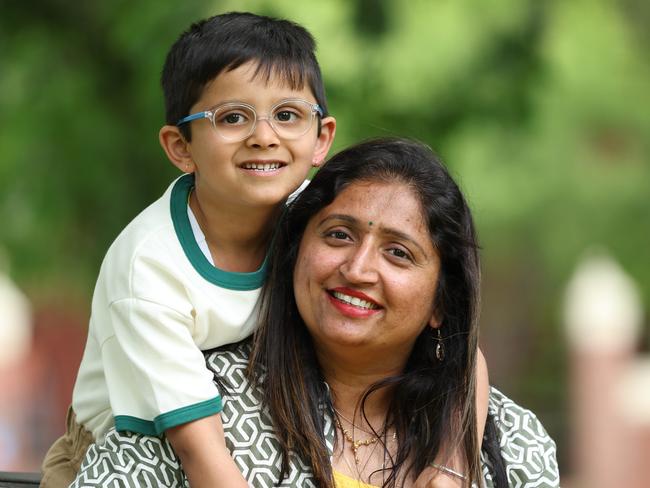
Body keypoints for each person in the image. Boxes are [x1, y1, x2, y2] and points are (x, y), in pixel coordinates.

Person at [71, 138, 559, 487]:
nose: (358, 268)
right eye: (339, 234)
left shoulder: (511, 444)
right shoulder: (200, 400)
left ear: (440, 304)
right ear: (295, 253)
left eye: (398, 253)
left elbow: (463, 360)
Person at [40, 12, 336, 488]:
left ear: (321, 138)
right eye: (233, 118)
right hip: (124, 454)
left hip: (257, 436)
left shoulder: (324, 225)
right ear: (181, 146)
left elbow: (441, 334)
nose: (265, 136)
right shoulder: (150, 268)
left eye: (287, 115)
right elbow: (198, 453)